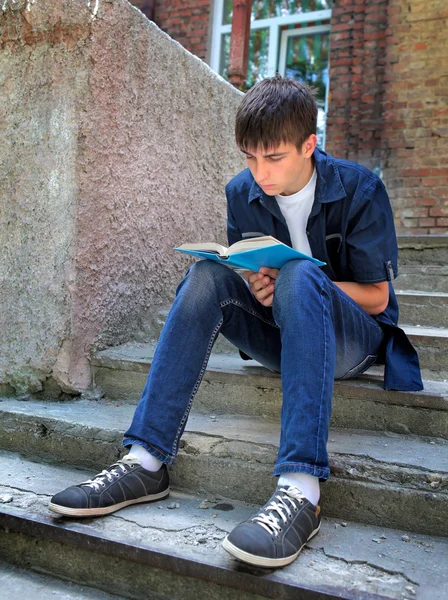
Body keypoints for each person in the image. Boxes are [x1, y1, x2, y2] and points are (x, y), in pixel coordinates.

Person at [49, 75, 423, 569]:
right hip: (284, 329)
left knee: (299, 275)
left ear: (309, 145)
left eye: (274, 158)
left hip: (352, 341)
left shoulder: (359, 188)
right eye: (249, 156)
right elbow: (249, 270)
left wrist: (294, 280)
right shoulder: (241, 192)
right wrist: (257, 287)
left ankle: (301, 490)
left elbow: (377, 298)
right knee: (207, 275)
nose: (259, 172)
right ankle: (145, 461)